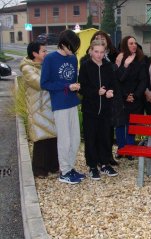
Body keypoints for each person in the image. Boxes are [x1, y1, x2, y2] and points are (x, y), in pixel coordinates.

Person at [40, 30, 85, 184]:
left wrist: (76, 86)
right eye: (70, 48)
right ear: (63, 44)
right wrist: (67, 86)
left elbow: (73, 78)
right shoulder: (50, 59)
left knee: (75, 139)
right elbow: (44, 83)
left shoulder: (72, 59)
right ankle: (64, 172)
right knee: (64, 140)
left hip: (72, 102)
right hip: (59, 104)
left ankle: (70, 168)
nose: (72, 52)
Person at [78, 40, 119, 180]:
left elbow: (114, 83)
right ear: (91, 51)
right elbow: (82, 87)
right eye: (96, 51)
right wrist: (97, 92)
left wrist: (110, 92)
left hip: (106, 110)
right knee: (91, 138)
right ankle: (92, 165)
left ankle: (104, 163)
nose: (99, 55)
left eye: (102, 52)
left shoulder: (108, 66)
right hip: (90, 110)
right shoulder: (85, 66)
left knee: (105, 137)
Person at [20, 42, 59, 178]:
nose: (46, 53)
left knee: (52, 137)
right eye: (43, 51)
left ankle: (53, 166)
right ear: (35, 53)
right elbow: (39, 83)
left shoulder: (44, 65)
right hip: (38, 108)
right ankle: (39, 170)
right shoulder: (27, 68)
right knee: (41, 139)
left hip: (50, 107)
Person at [114, 36, 148, 159]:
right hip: (121, 98)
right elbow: (118, 80)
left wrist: (134, 95)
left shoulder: (141, 59)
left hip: (135, 98)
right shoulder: (119, 59)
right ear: (125, 45)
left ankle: (130, 149)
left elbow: (143, 80)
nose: (134, 45)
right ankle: (121, 148)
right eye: (130, 43)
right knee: (120, 124)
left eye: (135, 43)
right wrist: (124, 65)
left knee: (131, 125)